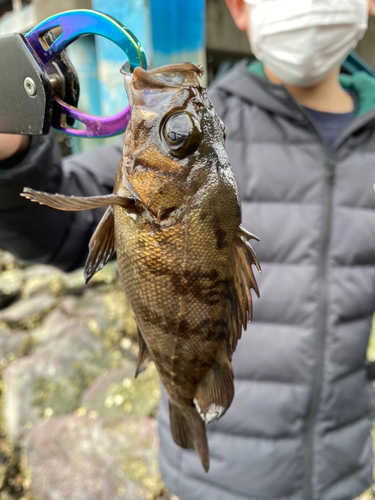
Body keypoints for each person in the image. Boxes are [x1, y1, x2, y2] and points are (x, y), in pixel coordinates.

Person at [1, 0, 375, 498]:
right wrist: (12, 153)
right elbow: (56, 232)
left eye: (177, 134)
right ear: (240, 8)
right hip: (214, 480)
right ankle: (184, 407)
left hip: (341, 471)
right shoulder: (216, 125)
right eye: (178, 135)